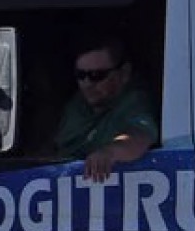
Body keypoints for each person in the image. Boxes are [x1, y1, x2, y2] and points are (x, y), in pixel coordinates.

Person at [55, 35, 156, 183]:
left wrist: (109, 152)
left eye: (97, 75)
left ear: (124, 73)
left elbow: (139, 136)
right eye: (81, 75)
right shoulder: (77, 104)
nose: (87, 83)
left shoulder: (134, 101)